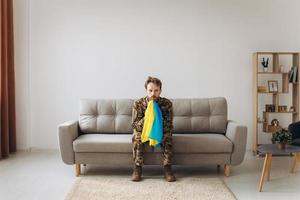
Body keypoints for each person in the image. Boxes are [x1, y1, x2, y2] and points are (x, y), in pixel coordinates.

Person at [131, 76, 176, 182]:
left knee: (167, 136)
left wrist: (156, 118)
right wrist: (148, 118)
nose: (153, 94)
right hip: (143, 131)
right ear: (146, 90)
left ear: (160, 90)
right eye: (150, 90)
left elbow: (169, 124)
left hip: (160, 130)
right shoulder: (138, 104)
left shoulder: (167, 104)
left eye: (156, 90)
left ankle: (167, 168)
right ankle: (137, 168)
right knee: (137, 137)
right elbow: (135, 125)